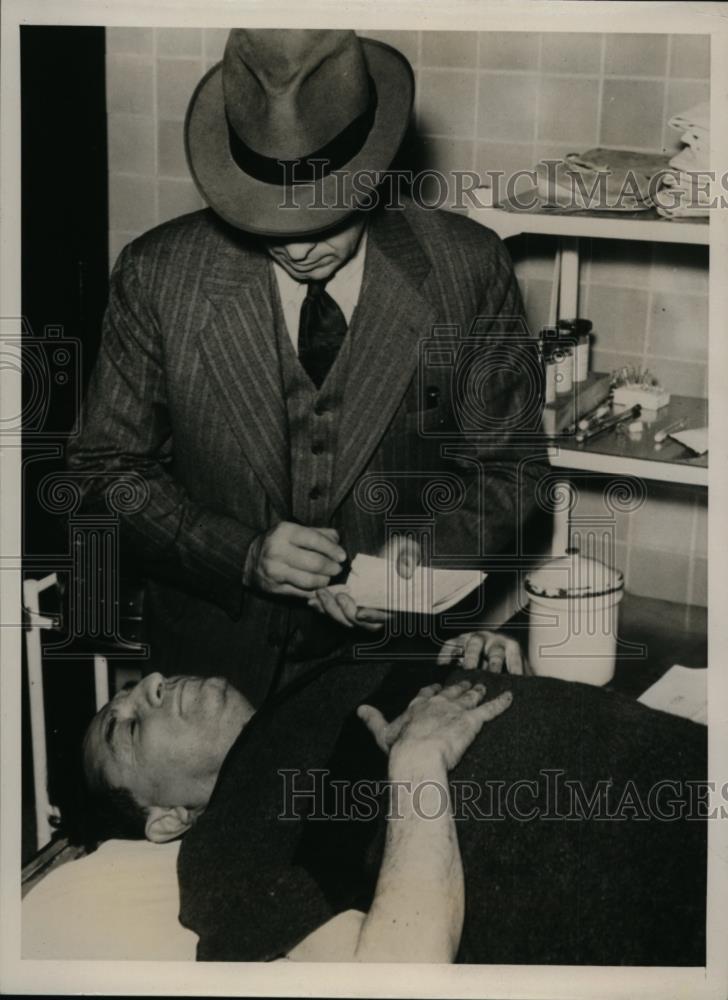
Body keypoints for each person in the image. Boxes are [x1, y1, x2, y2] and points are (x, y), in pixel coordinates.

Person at [66, 28, 548, 706]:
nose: (298, 248)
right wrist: (238, 553)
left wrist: (409, 571)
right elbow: (101, 474)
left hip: (390, 670)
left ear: (374, 174)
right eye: (269, 220)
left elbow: (511, 471)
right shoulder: (159, 276)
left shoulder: (466, 270)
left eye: (327, 214)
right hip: (211, 675)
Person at [80, 634, 707, 966]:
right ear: (166, 820)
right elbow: (400, 975)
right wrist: (418, 760)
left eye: (138, 687)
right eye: (128, 725)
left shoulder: (320, 676)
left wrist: (502, 676)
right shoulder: (225, 852)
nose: (155, 685)